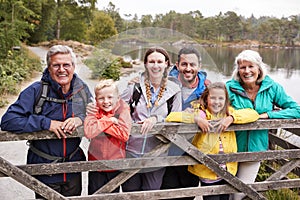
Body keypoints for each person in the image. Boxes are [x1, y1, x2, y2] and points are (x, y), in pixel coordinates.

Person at [0, 45, 93, 198]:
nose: (61, 69)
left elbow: (96, 115)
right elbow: (9, 120)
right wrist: (46, 123)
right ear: (49, 68)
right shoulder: (36, 91)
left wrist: (80, 119)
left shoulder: (81, 90)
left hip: (73, 168)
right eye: (56, 65)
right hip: (44, 168)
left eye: (66, 65)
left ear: (73, 67)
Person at [226, 49, 300, 200]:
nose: (247, 71)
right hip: (230, 149)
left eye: (251, 66)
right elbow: (213, 106)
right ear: (237, 70)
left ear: (259, 68)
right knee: (224, 192)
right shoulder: (229, 88)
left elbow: (296, 110)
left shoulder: (272, 87)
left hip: (256, 150)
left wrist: (268, 115)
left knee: (240, 195)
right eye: (242, 67)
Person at [167, 82, 259, 200]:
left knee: (225, 197)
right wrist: (196, 119)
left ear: (226, 100)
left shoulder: (229, 113)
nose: (217, 102)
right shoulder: (201, 113)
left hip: (227, 172)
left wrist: (231, 118)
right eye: (213, 98)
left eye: (221, 98)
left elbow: (253, 114)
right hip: (208, 172)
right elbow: (171, 117)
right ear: (206, 98)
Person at [120, 46, 182, 192]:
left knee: (152, 191)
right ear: (146, 64)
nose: (156, 66)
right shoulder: (134, 87)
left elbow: (176, 118)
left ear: (167, 63)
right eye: (152, 61)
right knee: (131, 192)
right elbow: (116, 108)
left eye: (159, 61)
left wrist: (156, 119)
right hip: (131, 151)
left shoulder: (174, 90)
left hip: (158, 152)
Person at [161, 47, 210, 199]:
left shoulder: (208, 88)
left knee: (188, 193)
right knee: (166, 192)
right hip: (166, 149)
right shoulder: (165, 84)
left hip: (193, 151)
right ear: (177, 65)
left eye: (192, 64)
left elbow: (221, 109)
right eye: (184, 64)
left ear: (199, 66)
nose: (188, 69)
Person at [84, 79, 131, 194]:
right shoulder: (93, 110)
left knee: (113, 195)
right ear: (96, 100)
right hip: (96, 163)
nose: (106, 101)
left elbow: (124, 134)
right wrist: (109, 120)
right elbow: (89, 132)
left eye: (110, 97)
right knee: (94, 195)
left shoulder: (123, 109)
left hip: (116, 163)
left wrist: (100, 123)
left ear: (117, 98)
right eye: (101, 98)